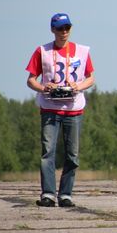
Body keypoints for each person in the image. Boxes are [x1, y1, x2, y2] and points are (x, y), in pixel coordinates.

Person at [25, 13, 95, 207]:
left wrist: (78, 86)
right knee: (48, 152)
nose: (64, 32)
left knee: (72, 154)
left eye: (67, 28)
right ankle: (48, 194)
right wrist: (43, 88)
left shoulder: (82, 51)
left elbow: (91, 78)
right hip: (50, 108)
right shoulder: (42, 51)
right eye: (59, 28)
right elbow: (30, 80)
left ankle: (65, 194)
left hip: (73, 109)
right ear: (52, 30)